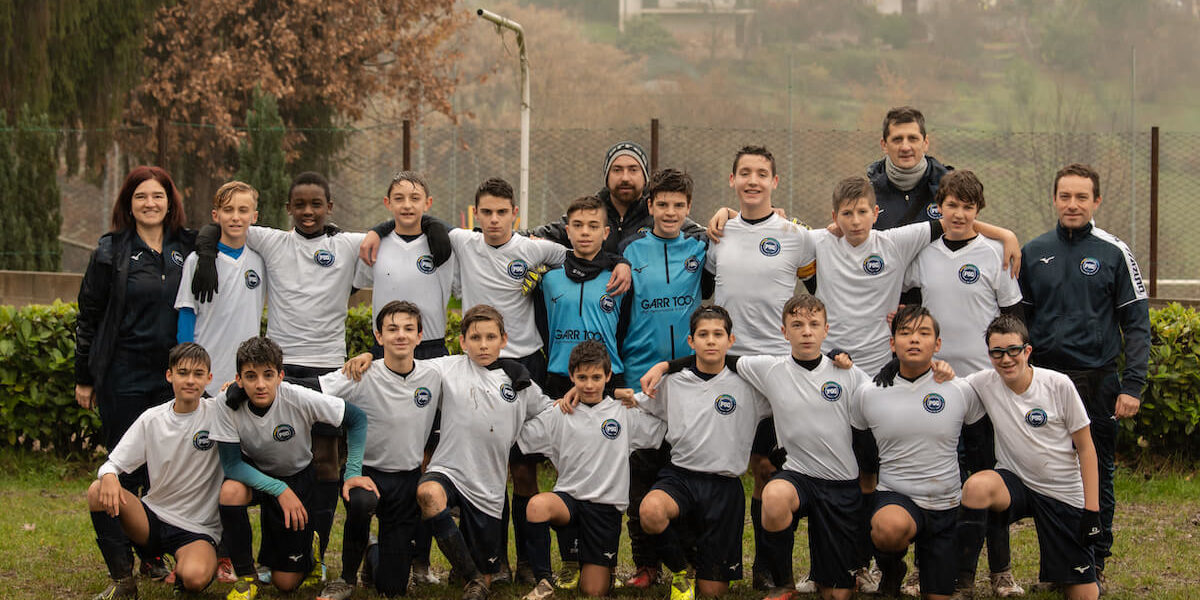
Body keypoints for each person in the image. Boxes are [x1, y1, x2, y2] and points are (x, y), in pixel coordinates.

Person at [1017, 163, 1149, 588]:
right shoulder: (1034, 252)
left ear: (1096, 201)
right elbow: (1019, 323)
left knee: (1099, 471)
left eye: (1081, 197)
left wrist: (1133, 386)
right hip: (1044, 381)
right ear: (1054, 199)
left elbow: (1137, 325)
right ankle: (1056, 567)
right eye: (1065, 196)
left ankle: (1096, 561)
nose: (1072, 204)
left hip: (1097, 381)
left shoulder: (1115, 252)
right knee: (1047, 472)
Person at [901, 169, 1025, 597]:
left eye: (968, 207)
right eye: (951, 205)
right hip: (936, 388)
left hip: (984, 389)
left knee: (988, 477)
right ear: (939, 207)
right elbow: (909, 309)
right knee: (934, 482)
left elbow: (1013, 319)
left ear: (978, 210)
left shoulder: (995, 254)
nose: (958, 214)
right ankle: (924, 569)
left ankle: (1001, 570)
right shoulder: (924, 255)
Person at [76, 165, 201, 583]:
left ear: (170, 201)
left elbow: (234, 233)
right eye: (141, 196)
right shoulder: (110, 250)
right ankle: (124, 569)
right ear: (128, 204)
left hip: (173, 376)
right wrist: (85, 377)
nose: (150, 203)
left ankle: (153, 553)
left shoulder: (189, 245)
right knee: (125, 468)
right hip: (123, 374)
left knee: (164, 469)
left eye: (157, 196)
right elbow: (89, 317)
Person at [704, 146, 818, 589]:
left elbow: (817, 288)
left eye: (762, 173)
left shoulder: (796, 236)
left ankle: (768, 568)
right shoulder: (718, 234)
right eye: (745, 173)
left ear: (775, 181)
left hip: (775, 368)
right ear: (732, 180)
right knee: (723, 468)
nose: (753, 180)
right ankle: (719, 563)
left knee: (768, 469)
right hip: (727, 366)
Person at [725, 295, 870, 600]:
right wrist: (665, 367)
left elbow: (882, 397)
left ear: (826, 330)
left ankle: (831, 574)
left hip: (840, 484)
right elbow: (717, 358)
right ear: (784, 331)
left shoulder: (848, 373)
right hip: (798, 477)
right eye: (797, 324)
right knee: (774, 496)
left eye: (814, 324)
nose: (806, 331)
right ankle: (784, 582)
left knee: (837, 595)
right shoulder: (770, 369)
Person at [210, 336, 372, 600]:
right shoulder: (226, 404)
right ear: (238, 379)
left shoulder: (298, 397)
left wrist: (353, 473)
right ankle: (247, 578)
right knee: (230, 492)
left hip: (297, 478)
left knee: (285, 584)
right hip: (258, 476)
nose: (260, 384)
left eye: (268, 375)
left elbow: (357, 418)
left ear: (280, 376)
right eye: (250, 376)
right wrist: (278, 489)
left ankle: (310, 550)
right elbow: (232, 465)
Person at [412, 305, 552, 600]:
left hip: (488, 490)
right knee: (428, 494)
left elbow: (549, 412)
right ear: (463, 342)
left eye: (491, 337)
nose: (483, 345)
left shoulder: (518, 381)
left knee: (485, 582)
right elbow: (404, 366)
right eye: (475, 338)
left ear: (504, 339)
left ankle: (475, 573)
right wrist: (366, 359)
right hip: (449, 470)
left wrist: (522, 435)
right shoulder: (446, 368)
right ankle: (471, 575)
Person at [957, 315, 1101, 600]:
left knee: (1084, 594)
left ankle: (1063, 572)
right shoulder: (983, 382)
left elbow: (1086, 448)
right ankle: (960, 584)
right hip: (1016, 484)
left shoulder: (1058, 385)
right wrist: (903, 367)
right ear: (989, 355)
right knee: (976, 487)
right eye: (997, 352)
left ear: (1027, 351)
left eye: (1013, 350)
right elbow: (946, 385)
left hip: (1061, 492)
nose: (1006, 359)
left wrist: (1092, 511)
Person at [850, 306, 988, 600]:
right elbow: (863, 451)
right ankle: (891, 570)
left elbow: (979, 444)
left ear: (937, 344)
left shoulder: (960, 389)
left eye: (923, 333)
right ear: (892, 343)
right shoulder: (868, 393)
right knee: (888, 529)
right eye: (905, 333)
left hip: (946, 505)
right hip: (897, 496)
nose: (914, 339)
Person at [308, 301, 443, 600]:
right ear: (379, 336)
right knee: (361, 503)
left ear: (420, 336)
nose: (401, 335)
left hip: (407, 480)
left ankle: (373, 551)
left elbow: (477, 369)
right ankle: (346, 579)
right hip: (365, 474)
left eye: (408, 329)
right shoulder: (361, 373)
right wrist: (256, 387)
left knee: (392, 589)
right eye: (392, 329)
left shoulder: (434, 374)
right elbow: (311, 388)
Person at [635, 305, 771, 600]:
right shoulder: (673, 382)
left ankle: (705, 566)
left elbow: (792, 387)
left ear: (730, 340)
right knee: (650, 511)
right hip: (681, 478)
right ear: (691, 341)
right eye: (703, 334)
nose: (711, 341)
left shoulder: (750, 385)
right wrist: (579, 396)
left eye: (718, 334)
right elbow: (633, 403)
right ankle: (681, 572)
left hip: (724, 487)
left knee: (713, 593)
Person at [617, 167, 712, 586]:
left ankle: (687, 559)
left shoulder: (701, 246)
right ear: (650, 205)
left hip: (687, 376)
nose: (670, 212)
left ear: (688, 207)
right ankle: (646, 564)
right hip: (640, 373)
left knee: (685, 469)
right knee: (641, 472)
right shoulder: (630, 250)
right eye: (663, 204)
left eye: (678, 205)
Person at [516, 340, 666, 600]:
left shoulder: (623, 412)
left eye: (596, 377)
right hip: (569, 502)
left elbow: (663, 420)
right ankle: (544, 582)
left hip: (604, 510)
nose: (588, 385)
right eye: (582, 377)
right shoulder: (560, 412)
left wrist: (631, 398)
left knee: (593, 591)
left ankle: (602, 568)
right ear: (571, 376)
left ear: (608, 376)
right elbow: (518, 430)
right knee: (537, 506)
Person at [86, 343, 222, 599]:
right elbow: (112, 463)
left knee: (194, 579)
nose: (190, 380)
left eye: (198, 374)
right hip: (152, 519)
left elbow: (249, 395)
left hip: (197, 529)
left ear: (209, 378)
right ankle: (123, 582)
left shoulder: (219, 413)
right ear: (169, 375)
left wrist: (233, 388)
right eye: (183, 373)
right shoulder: (152, 418)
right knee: (97, 490)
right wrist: (110, 475)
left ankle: (191, 570)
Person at [535, 195, 633, 397]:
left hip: (606, 378)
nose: (585, 232)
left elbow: (626, 329)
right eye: (578, 225)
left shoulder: (618, 278)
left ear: (606, 233)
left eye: (593, 226)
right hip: (559, 377)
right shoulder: (549, 278)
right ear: (568, 231)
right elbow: (541, 325)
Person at [175, 181, 267, 397]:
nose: (235, 217)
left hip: (246, 373)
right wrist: (189, 365)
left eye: (243, 210)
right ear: (216, 216)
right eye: (228, 210)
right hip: (206, 371)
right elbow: (187, 315)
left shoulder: (262, 260)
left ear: (254, 216)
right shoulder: (196, 261)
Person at [529, 141, 702, 254]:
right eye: (617, 170)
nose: (625, 178)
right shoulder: (589, 213)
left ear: (644, 177)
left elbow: (707, 236)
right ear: (607, 176)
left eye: (633, 170)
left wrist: (720, 218)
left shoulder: (660, 214)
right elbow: (528, 237)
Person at [866, 106, 952, 231]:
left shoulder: (950, 189)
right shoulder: (868, 196)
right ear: (884, 145)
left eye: (913, 139)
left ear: (925, 143)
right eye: (897, 139)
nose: (905, 147)